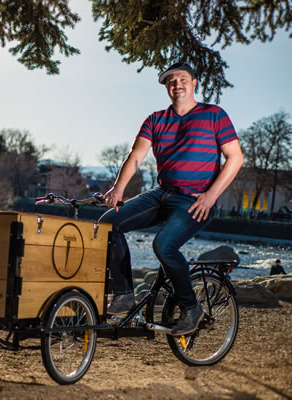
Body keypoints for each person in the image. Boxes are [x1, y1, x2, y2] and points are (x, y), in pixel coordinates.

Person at [100, 62, 244, 336]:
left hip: (195, 200)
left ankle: (191, 307)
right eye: (171, 81)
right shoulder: (155, 119)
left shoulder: (214, 115)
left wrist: (211, 196)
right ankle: (124, 294)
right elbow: (136, 157)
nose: (177, 85)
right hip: (161, 194)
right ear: (166, 87)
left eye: (182, 79)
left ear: (194, 82)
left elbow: (235, 158)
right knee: (109, 225)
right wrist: (118, 189)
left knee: (164, 245)